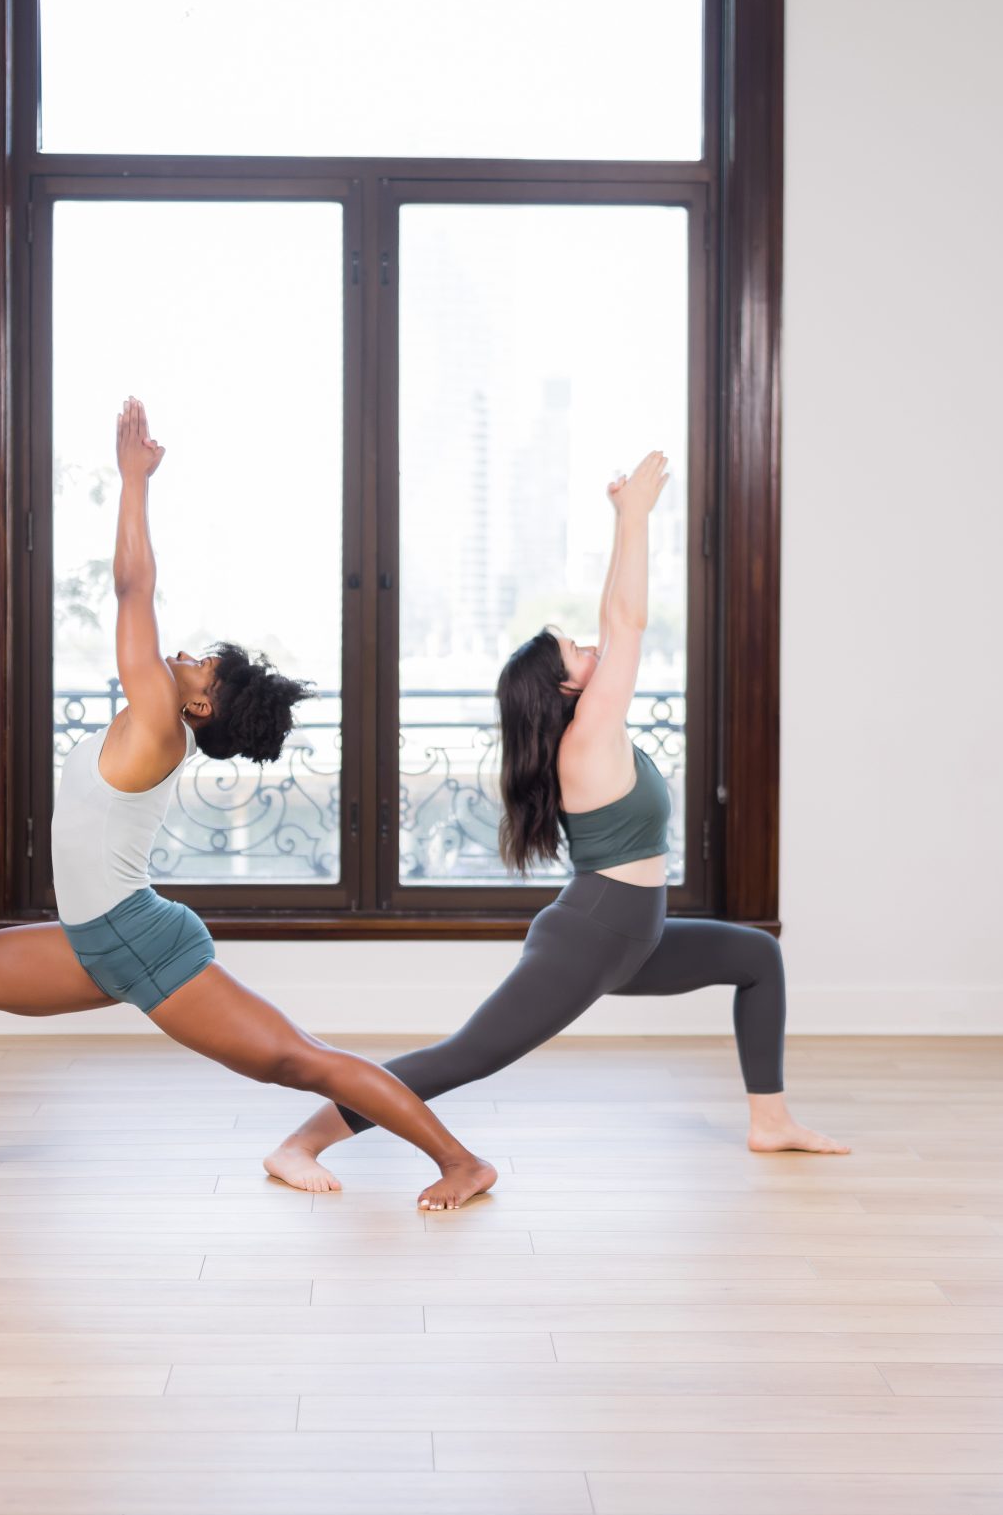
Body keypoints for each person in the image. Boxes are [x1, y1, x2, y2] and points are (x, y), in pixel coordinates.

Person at [0, 398, 497, 1210]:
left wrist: (133, 480)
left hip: (134, 945)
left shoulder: (155, 718)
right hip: (96, 939)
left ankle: (460, 1162)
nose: (184, 654)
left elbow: (133, 587)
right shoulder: (155, 719)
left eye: (202, 665)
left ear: (201, 707)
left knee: (299, 1059)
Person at [262, 449, 845, 1192]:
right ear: (565, 688)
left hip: (635, 935)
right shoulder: (587, 738)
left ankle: (771, 1121)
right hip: (596, 934)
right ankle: (298, 1144)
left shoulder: (593, 733)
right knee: (463, 1057)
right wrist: (632, 518)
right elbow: (627, 619)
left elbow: (619, 627)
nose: (596, 647)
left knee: (755, 959)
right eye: (579, 650)